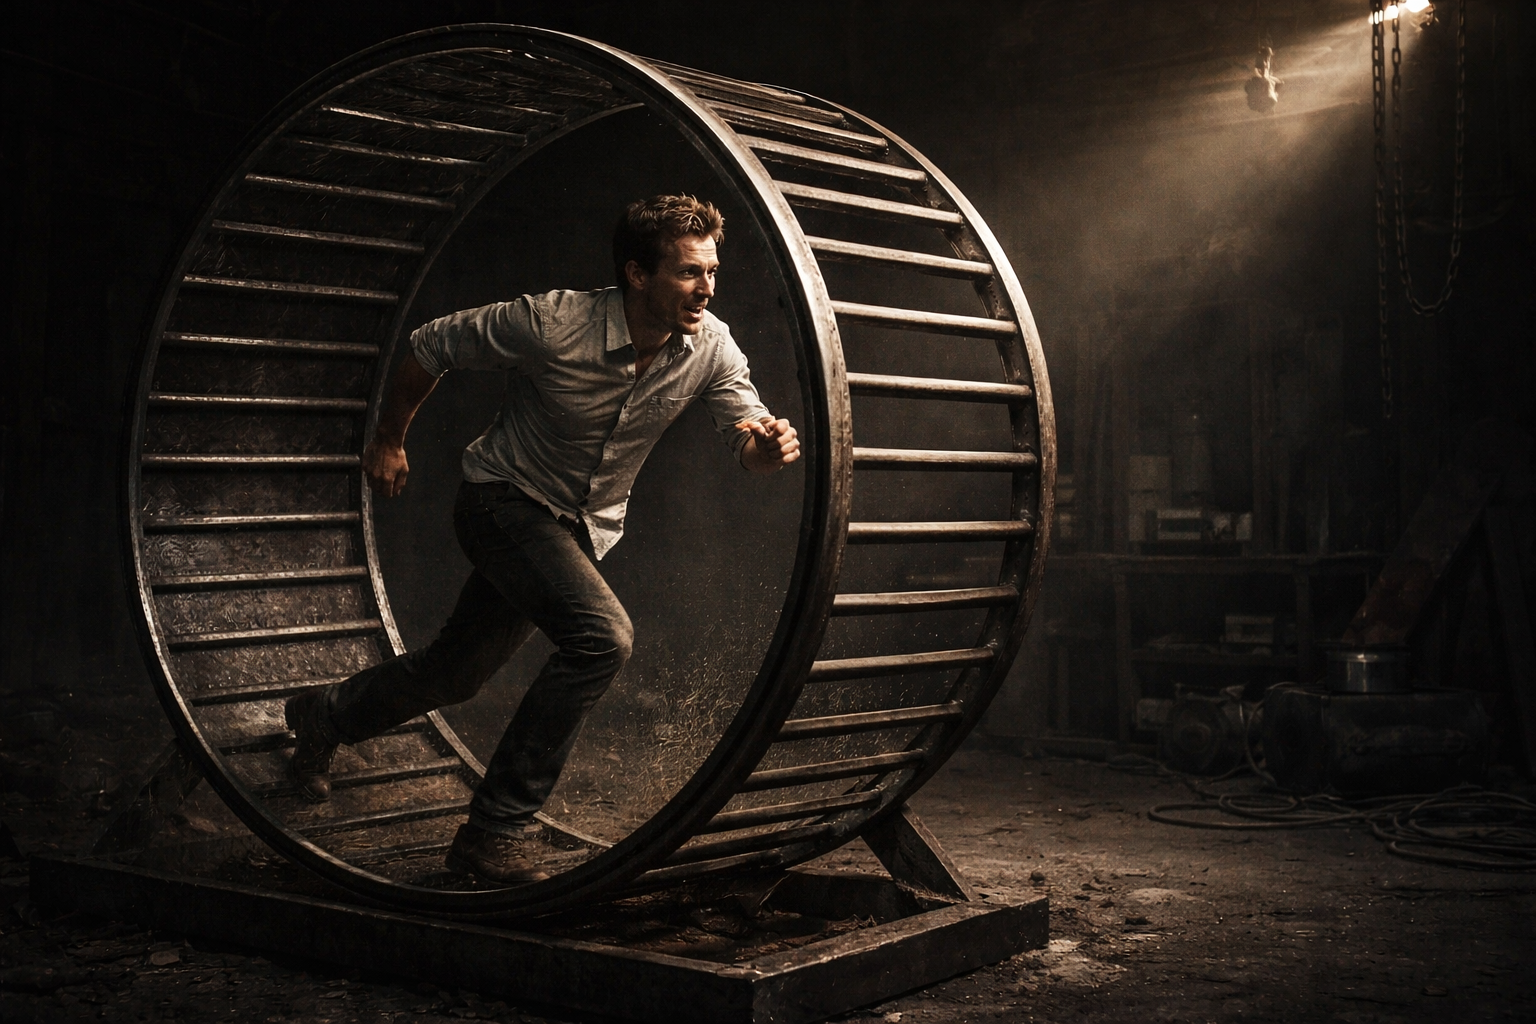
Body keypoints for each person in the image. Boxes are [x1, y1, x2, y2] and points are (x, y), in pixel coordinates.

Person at [283, 195, 799, 884]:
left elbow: (744, 427)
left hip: (580, 530)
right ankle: (493, 833)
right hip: (502, 502)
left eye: (711, 272)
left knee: (455, 674)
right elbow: (432, 344)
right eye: (687, 273)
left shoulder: (710, 345)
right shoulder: (555, 322)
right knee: (602, 638)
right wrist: (387, 438)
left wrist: (763, 450)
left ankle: (324, 717)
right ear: (637, 274)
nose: (706, 288)